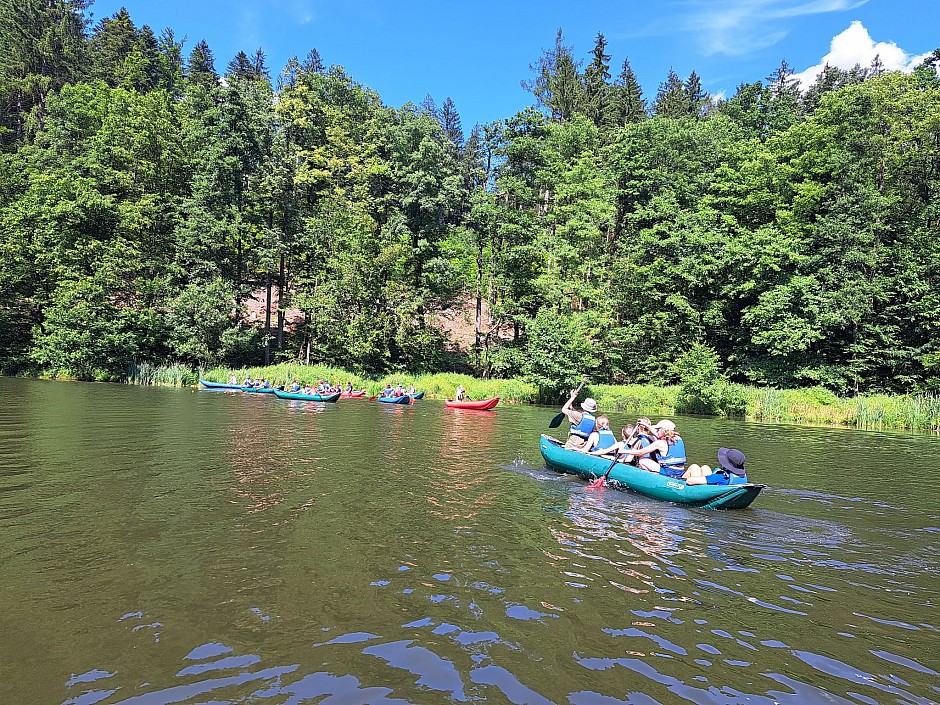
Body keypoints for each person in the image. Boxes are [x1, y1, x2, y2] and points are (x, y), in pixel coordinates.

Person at [618, 420, 686, 476]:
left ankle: (653, 479)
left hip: (668, 472)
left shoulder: (660, 443)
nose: (656, 431)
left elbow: (640, 452)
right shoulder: (679, 438)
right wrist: (645, 424)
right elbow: (659, 435)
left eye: (658, 429)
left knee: (643, 461)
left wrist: (624, 451)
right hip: (680, 471)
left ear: (664, 431)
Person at [684, 448, 749, 485]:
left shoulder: (721, 477)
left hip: (706, 490)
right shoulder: (743, 477)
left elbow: (689, 481)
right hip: (724, 486)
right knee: (705, 467)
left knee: (694, 467)